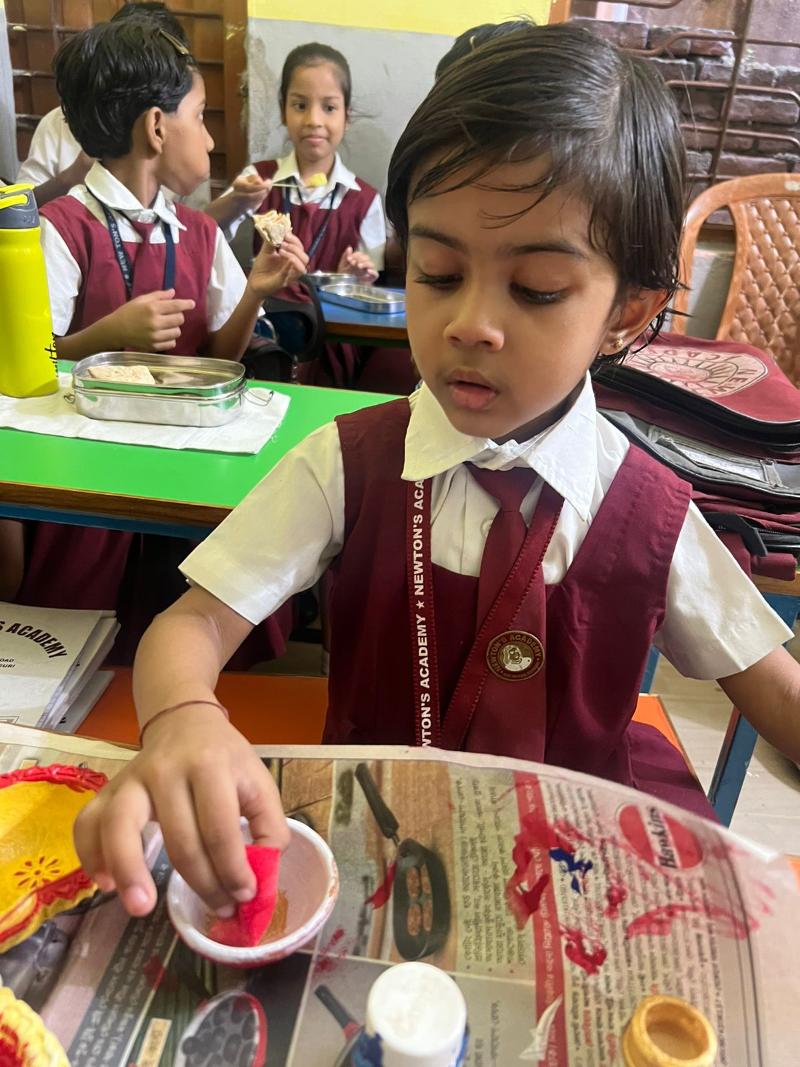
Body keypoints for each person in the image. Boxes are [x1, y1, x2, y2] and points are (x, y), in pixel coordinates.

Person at [74, 23, 800, 921]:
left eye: (536, 289)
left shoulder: (643, 506)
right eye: (439, 272)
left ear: (628, 312)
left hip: (576, 886)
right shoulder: (349, 463)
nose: (471, 324)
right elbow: (191, 623)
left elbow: (776, 688)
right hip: (376, 858)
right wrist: (182, 715)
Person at [13, 18, 306, 640]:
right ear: (155, 127)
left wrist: (255, 293)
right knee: (81, 624)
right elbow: (32, 360)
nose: (210, 137)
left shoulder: (199, 233)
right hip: (92, 480)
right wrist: (107, 336)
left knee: (188, 615)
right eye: (199, 117)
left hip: (187, 469)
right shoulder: (64, 228)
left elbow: (221, 358)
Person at [206, 43, 386, 386]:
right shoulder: (259, 178)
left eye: (329, 107)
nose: (314, 121)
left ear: (347, 117)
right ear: (283, 111)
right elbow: (204, 232)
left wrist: (352, 276)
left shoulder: (364, 199)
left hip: (329, 342)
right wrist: (238, 202)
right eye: (300, 105)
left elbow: (369, 280)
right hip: (267, 332)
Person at [15, 2, 210, 210]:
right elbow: (16, 209)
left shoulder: (187, 128)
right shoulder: (56, 124)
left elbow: (200, 217)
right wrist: (72, 177)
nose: (209, 143)